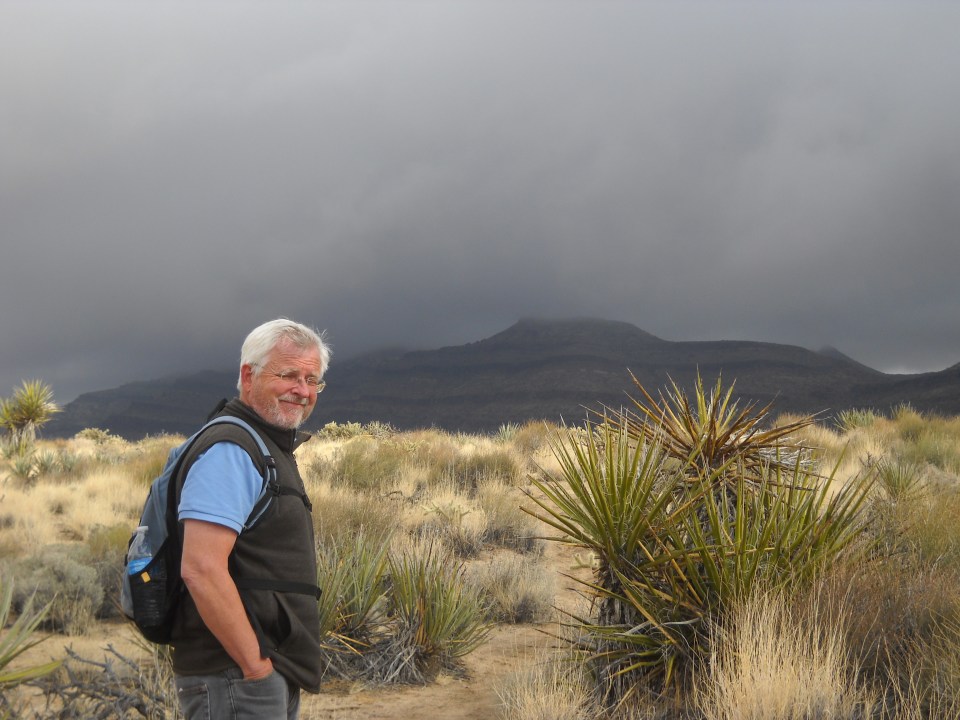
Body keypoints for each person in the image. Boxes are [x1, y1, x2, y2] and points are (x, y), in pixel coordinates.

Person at [170, 318, 331, 720]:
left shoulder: (262, 444)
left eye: (312, 380)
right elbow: (201, 568)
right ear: (248, 375)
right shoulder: (231, 450)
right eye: (289, 375)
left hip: (256, 672)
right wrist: (255, 668)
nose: (302, 390)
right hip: (235, 676)